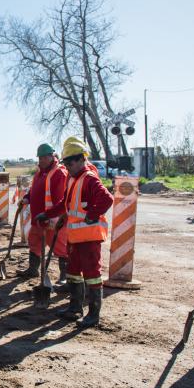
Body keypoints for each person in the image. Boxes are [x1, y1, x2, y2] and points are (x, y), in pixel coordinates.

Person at [56, 137, 114, 328]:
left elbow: (107, 199)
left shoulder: (89, 178)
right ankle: (74, 308)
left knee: (92, 275)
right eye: (65, 163)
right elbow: (70, 204)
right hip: (75, 238)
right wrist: (64, 218)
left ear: (81, 159)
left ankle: (93, 315)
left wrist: (92, 214)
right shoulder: (73, 179)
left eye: (70, 162)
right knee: (73, 273)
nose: (68, 166)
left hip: (89, 238)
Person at [17, 143, 68, 283]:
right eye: (40, 158)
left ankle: (65, 276)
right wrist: (27, 198)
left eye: (45, 158)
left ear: (52, 156)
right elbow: (34, 190)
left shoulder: (59, 173)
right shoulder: (39, 173)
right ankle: (32, 269)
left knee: (60, 248)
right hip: (38, 218)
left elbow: (62, 200)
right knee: (34, 244)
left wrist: (54, 217)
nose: (41, 161)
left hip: (53, 220)